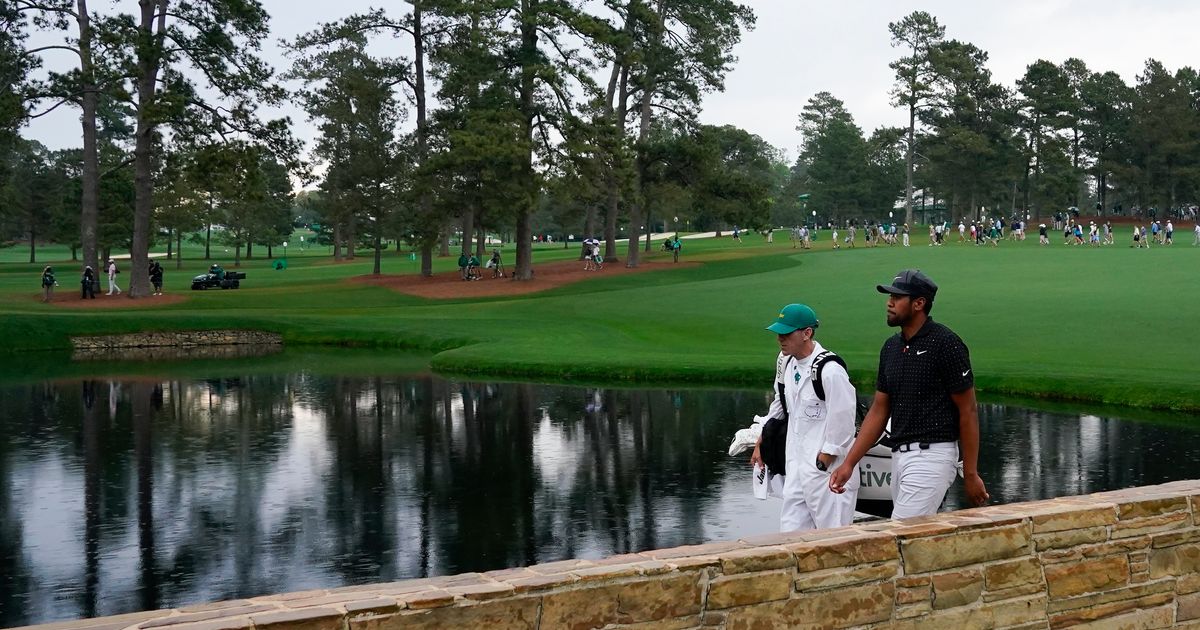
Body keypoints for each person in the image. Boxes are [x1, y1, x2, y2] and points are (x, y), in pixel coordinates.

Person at [828, 270, 989, 518]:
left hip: (933, 455)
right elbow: (879, 410)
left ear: (919, 303)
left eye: (897, 297)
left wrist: (970, 473)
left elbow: (968, 410)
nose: (889, 303)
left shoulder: (946, 344)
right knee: (914, 541)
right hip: (899, 457)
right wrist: (850, 462)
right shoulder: (891, 348)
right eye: (889, 296)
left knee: (900, 534)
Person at [750, 304, 859, 531]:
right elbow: (779, 404)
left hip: (828, 472)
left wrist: (826, 457)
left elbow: (845, 416)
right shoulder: (786, 363)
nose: (780, 338)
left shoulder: (830, 369)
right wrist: (761, 439)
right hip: (797, 469)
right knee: (790, 537)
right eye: (779, 333)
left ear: (807, 333)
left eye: (787, 333)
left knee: (834, 539)